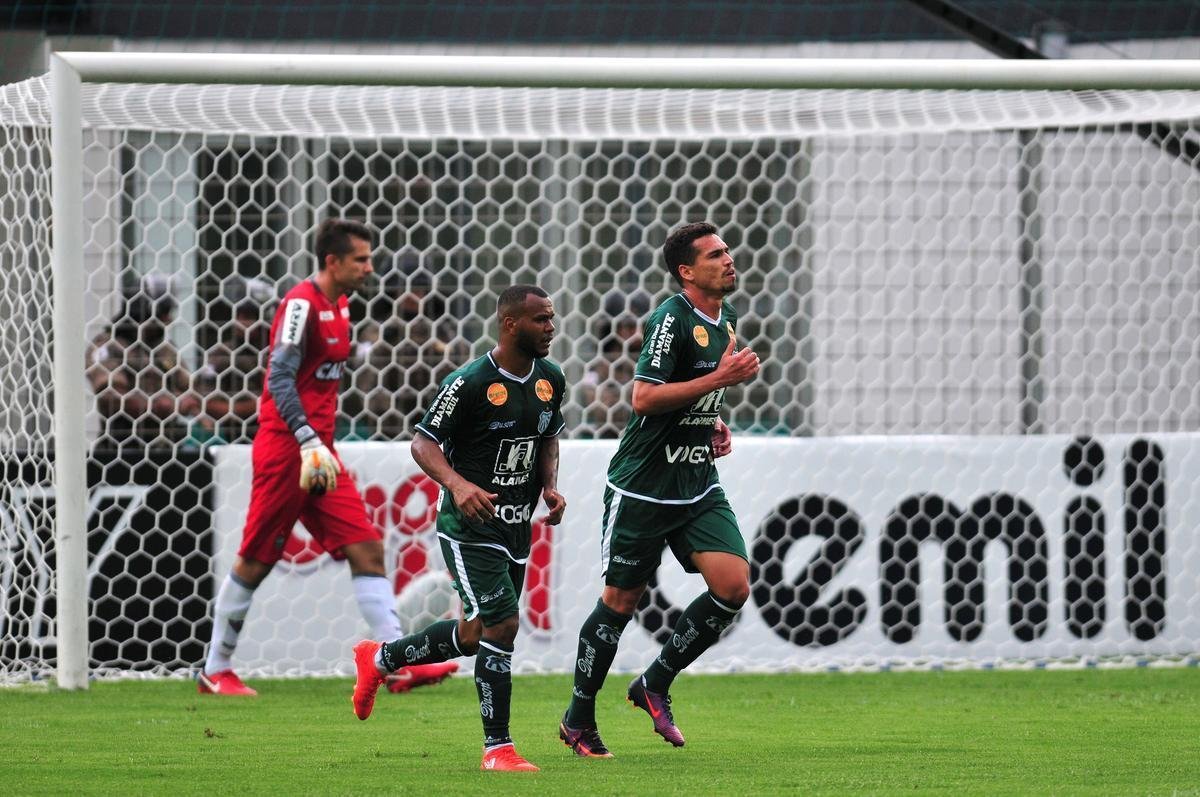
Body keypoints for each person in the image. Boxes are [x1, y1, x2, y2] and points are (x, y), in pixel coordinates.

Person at [198, 218, 458, 696]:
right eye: (361, 259)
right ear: (332, 261)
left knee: (367, 548)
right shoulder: (300, 305)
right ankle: (215, 668)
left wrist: (318, 443)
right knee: (256, 559)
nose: (369, 267)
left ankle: (394, 661)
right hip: (287, 450)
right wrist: (305, 437)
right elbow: (278, 379)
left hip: (320, 454)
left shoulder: (341, 305)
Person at [558, 221, 760, 757]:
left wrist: (711, 419)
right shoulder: (670, 318)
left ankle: (655, 681)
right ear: (687, 271)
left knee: (733, 584)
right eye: (716, 255)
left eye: (729, 252)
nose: (729, 260)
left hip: (695, 482)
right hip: (644, 486)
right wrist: (718, 383)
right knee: (621, 601)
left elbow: (688, 396)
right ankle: (578, 718)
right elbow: (644, 398)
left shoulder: (728, 319)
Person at [351, 284, 567, 773]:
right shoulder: (470, 382)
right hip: (467, 526)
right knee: (504, 624)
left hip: (515, 525)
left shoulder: (551, 378)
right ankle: (499, 749)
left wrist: (550, 487)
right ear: (511, 324)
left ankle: (380, 658)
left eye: (552, 319)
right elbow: (423, 443)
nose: (551, 328)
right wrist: (459, 485)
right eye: (542, 320)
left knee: (473, 636)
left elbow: (547, 439)